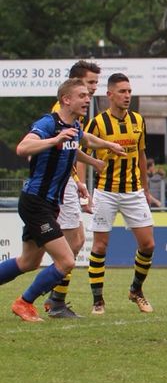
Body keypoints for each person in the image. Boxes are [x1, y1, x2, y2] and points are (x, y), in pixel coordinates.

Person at [3, 79, 124, 321]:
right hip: (36, 201)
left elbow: (83, 141)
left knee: (28, 261)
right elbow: (22, 148)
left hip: (48, 203)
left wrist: (103, 151)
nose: (87, 99)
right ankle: (24, 302)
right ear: (66, 100)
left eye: (87, 96)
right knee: (67, 260)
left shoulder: (75, 126)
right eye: (82, 95)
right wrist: (53, 140)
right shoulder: (48, 123)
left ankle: (26, 301)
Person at [84, 73, 158, 314]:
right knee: (100, 246)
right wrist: (84, 188)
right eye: (122, 91)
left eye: (129, 91)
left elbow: (142, 155)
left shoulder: (138, 120)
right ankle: (98, 300)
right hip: (106, 191)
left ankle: (136, 290)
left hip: (134, 191)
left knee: (148, 244)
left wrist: (146, 189)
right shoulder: (97, 122)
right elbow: (81, 153)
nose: (127, 96)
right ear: (110, 95)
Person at [42, 60, 101, 318]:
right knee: (71, 242)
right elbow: (64, 148)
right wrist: (76, 180)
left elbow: (71, 148)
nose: (93, 90)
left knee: (73, 242)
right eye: (90, 84)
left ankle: (55, 298)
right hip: (58, 183)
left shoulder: (76, 110)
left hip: (66, 180)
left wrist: (78, 180)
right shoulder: (63, 110)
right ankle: (52, 299)